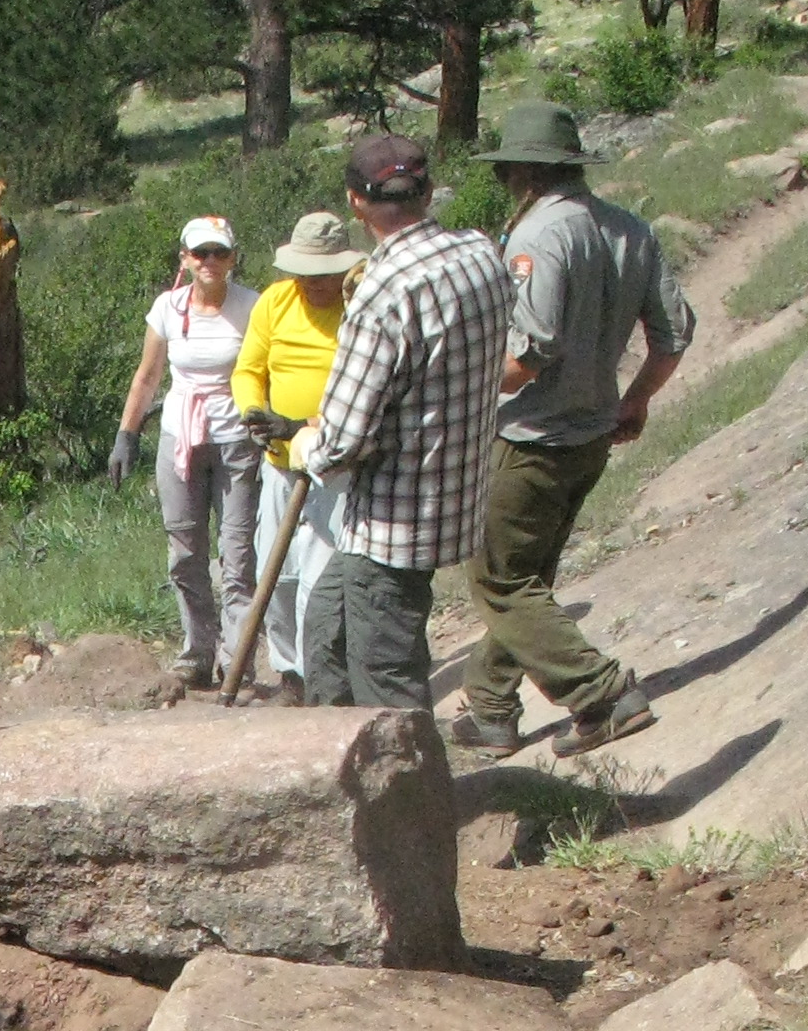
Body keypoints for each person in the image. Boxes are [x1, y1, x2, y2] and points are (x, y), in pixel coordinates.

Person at [454, 101, 693, 755]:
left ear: (521, 174)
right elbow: (675, 333)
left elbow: (530, 351)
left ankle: (603, 695)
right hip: (589, 435)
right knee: (526, 578)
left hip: (529, 437)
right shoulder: (629, 229)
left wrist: (457, 387)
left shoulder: (539, 237)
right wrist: (636, 399)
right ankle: (492, 710)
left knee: (500, 580)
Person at [291, 132, 511, 714]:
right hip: (453, 492)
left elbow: (342, 443)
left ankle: (413, 800)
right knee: (327, 630)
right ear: (429, 190)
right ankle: (332, 772)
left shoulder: (384, 292)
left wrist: (305, 442)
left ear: (355, 202)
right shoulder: (479, 253)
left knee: (386, 680)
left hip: (394, 520)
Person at [108, 217, 263, 688]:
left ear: (234, 257)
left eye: (220, 252)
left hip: (237, 436)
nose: (210, 262)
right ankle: (197, 650)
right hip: (181, 436)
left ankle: (237, 660)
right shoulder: (168, 309)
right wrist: (126, 435)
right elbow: (147, 375)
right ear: (185, 259)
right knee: (184, 551)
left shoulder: (253, 306)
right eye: (201, 254)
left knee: (237, 556)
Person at [234, 210, 369, 690]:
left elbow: (366, 394)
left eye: (324, 274)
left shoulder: (360, 309)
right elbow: (248, 369)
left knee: (320, 580)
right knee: (277, 578)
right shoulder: (275, 301)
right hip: (279, 461)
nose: (312, 283)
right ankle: (289, 672)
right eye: (304, 273)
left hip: (334, 464)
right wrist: (254, 412)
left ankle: (324, 679)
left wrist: (303, 426)